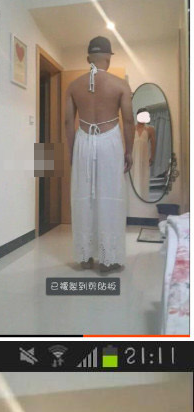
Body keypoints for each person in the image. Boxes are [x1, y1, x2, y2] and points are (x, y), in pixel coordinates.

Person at [65, 36, 135, 269]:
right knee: (110, 196)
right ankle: (107, 258)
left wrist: (72, 152)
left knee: (83, 197)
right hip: (109, 141)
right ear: (108, 58)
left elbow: (68, 122)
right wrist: (129, 151)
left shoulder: (73, 86)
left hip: (83, 140)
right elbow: (128, 121)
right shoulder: (120, 85)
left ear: (88, 59)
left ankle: (85, 257)